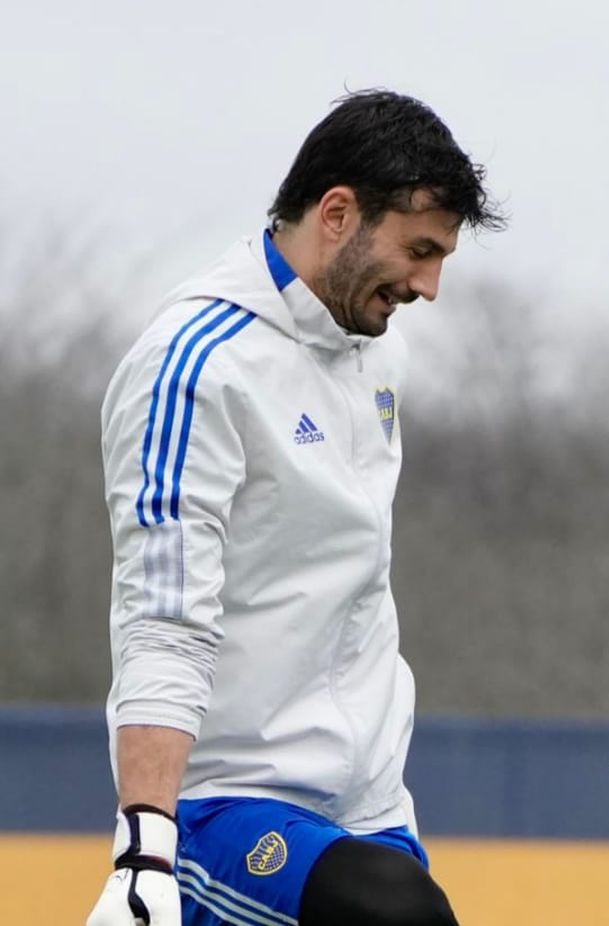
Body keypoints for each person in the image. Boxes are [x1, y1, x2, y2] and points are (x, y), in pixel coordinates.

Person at [87, 90, 503, 926]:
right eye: (419, 250)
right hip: (221, 809)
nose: (429, 285)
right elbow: (162, 617)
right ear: (339, 213)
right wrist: (144, 851)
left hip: (367, 813)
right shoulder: (195, 366)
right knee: (396, 914)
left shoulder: (376, 356)